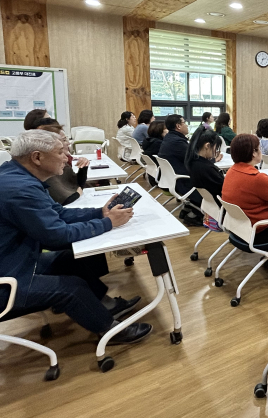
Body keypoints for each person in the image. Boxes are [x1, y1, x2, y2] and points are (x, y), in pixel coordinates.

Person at [0, 130, 151, 345]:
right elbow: (56, 235)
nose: (67, 157)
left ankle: (106, 306)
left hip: (17, 261)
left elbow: (58, 214)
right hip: (8, 280)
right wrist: (108, 223)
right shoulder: (20, 189)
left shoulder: (18, 177)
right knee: (72, 287)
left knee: (71, 261)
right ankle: (109, 331)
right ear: (37, 157)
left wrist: (100, 212)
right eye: (61, 152)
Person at [159, 114, 202, 223]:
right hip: (183, 181)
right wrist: (213, 159)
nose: (187, 125)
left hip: (173, 179)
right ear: (178, 126)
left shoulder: (170, 138)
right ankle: (195, 214)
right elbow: (195, 159)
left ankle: (189, 209)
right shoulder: (177, 142)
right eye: (184, 123)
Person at [36, 118, 89, 205]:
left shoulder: (60, 161)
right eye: (64, 140)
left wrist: (83, 167)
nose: (68, 143)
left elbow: (76, 183)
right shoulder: (47, 167)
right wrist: (79, 192)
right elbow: (65, 199)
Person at [186, 127, 225, 231]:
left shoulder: (193, 162)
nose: (216, 151)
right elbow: (224, 188)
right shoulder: (206, 168)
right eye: (216, 148)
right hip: (225, 209)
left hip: (212, 208)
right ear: (207, 145)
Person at [142, 121, 167, 186]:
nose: (168, 131)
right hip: (162, 177)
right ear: (160, 130)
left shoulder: (147, 141)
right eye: (165, 129)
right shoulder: (159, 144)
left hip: (152, 175)